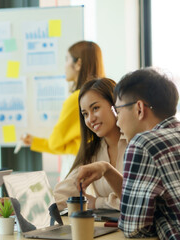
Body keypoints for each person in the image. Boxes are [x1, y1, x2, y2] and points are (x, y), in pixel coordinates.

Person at [76, 68, 180, 239]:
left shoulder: (142, 144)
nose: (118, 119)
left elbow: (134, 229)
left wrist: (158, 219)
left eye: (118, 109)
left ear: (139, 109)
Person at [53, 78, 127, 211]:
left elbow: (137, 202)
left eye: (95, 108)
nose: (90, 119)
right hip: (109, 228)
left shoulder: (136, 144)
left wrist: (98, 203)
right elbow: (64, 193)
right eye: (85, 114)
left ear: (114, 104)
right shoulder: (92, 151)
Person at [21, 41, 105, 155]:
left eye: (67, 59)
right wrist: (35, 142)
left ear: (78, 64)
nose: (64, 65)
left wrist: (37, 142)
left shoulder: (77, 99)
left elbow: (55, 143)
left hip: (78, 162)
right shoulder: (104, 93)